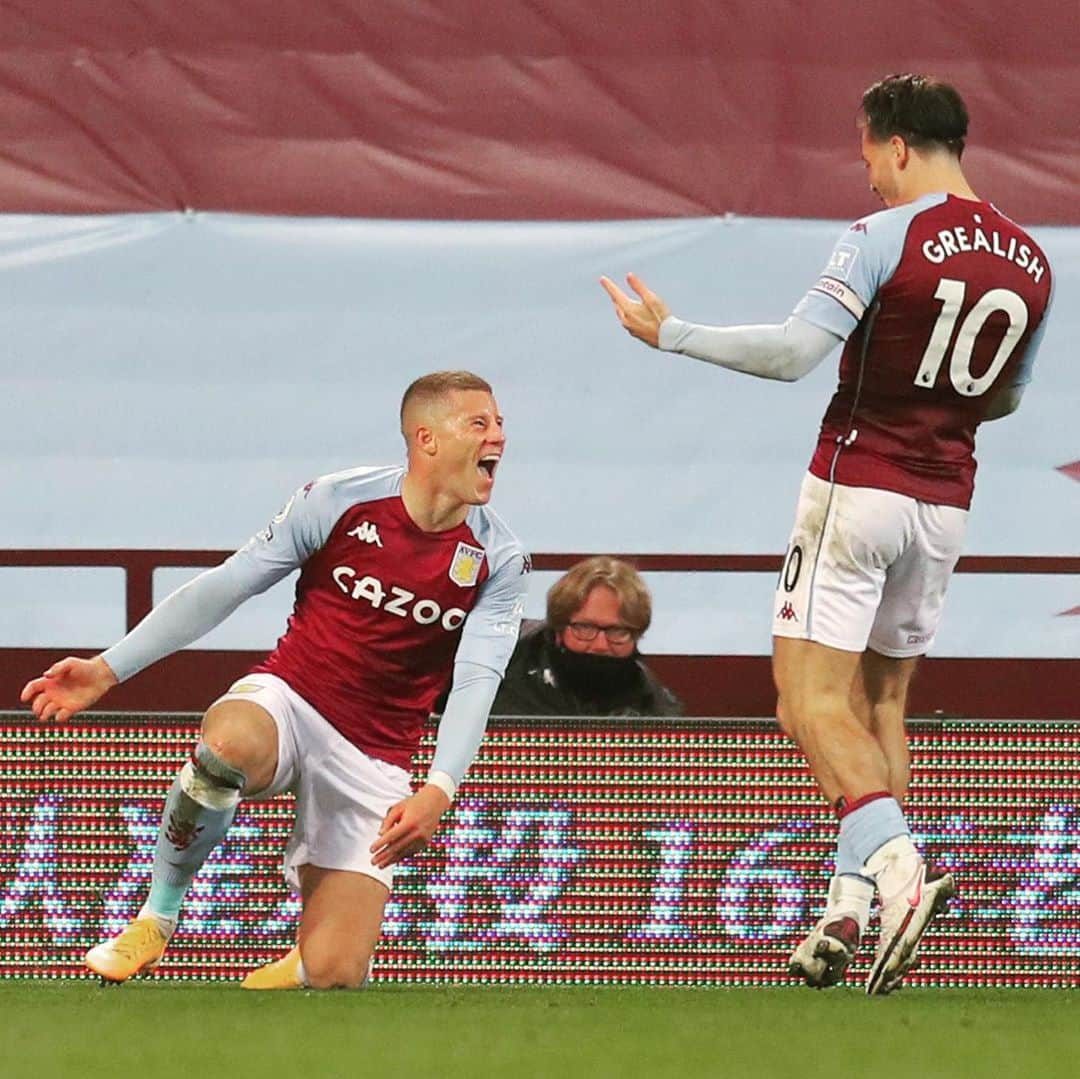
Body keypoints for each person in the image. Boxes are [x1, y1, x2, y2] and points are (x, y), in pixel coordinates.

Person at [601, 74, 1053, 995]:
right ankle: (850, 906)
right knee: (874, 706)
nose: (869, 180)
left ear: (895, 145)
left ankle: (900, 869)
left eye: (867, 159)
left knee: (805, 702)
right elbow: (1003, 396)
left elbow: (796, 354)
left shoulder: (883, 237)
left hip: (858, 485)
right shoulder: (1033, 261)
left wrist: (673, 333)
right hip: (947, 501)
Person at [20, 370, 529, 989]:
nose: (498, 435)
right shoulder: (337, 500)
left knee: (336, 975)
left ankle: (307, 956)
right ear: (426, 439)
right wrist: (106, 669)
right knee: (228, 743)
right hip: (291, 701)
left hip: (378, 753)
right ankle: (156, 917)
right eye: (480, 423)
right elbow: (227, 585)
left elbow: (477, 679)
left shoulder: (499, 558)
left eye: (499, 423)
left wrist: (439, 789)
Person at [492, 556, 683, 717]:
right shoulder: (498, 666)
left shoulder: (655, 710)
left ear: (637, 635)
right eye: (585, 628)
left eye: (617, 631)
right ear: (558, 629)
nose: (600, 645)